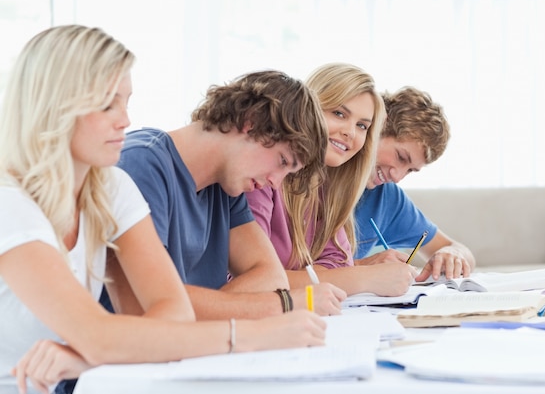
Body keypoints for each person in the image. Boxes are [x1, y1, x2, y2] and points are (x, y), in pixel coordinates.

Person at [0, 25, 326, 394]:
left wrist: (92, 353)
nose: (124, 119)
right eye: (108, 103)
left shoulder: (110, 187)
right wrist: (254, 331)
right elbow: (101, 332)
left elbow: (171, 314)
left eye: (126, 101)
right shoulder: (9, 203)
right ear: (53, 104)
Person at [108, 64, 346, 320]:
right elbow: (149, 306)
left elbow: (271, 276)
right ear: (251, 122)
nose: (276, 183)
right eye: (282, 161)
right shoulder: (141, 165)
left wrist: (212, 309)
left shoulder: (226, 188)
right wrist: (285, 304)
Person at [246, 63, 419, 297]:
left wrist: (303, 278)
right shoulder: (261, 178)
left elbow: (337, 263)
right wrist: (364, 277)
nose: (350, 132)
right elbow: (250, 281)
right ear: (309, 109)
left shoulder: (329, 186)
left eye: (362, 126)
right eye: (339, 114)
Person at [353, 86, 475, 280]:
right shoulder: (314, 180)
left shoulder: (387, 197)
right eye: (401, 157)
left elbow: (456, 248)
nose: (397, 176)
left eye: (410, 170)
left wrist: (454, 254)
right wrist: (361, 267)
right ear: (377, 128)